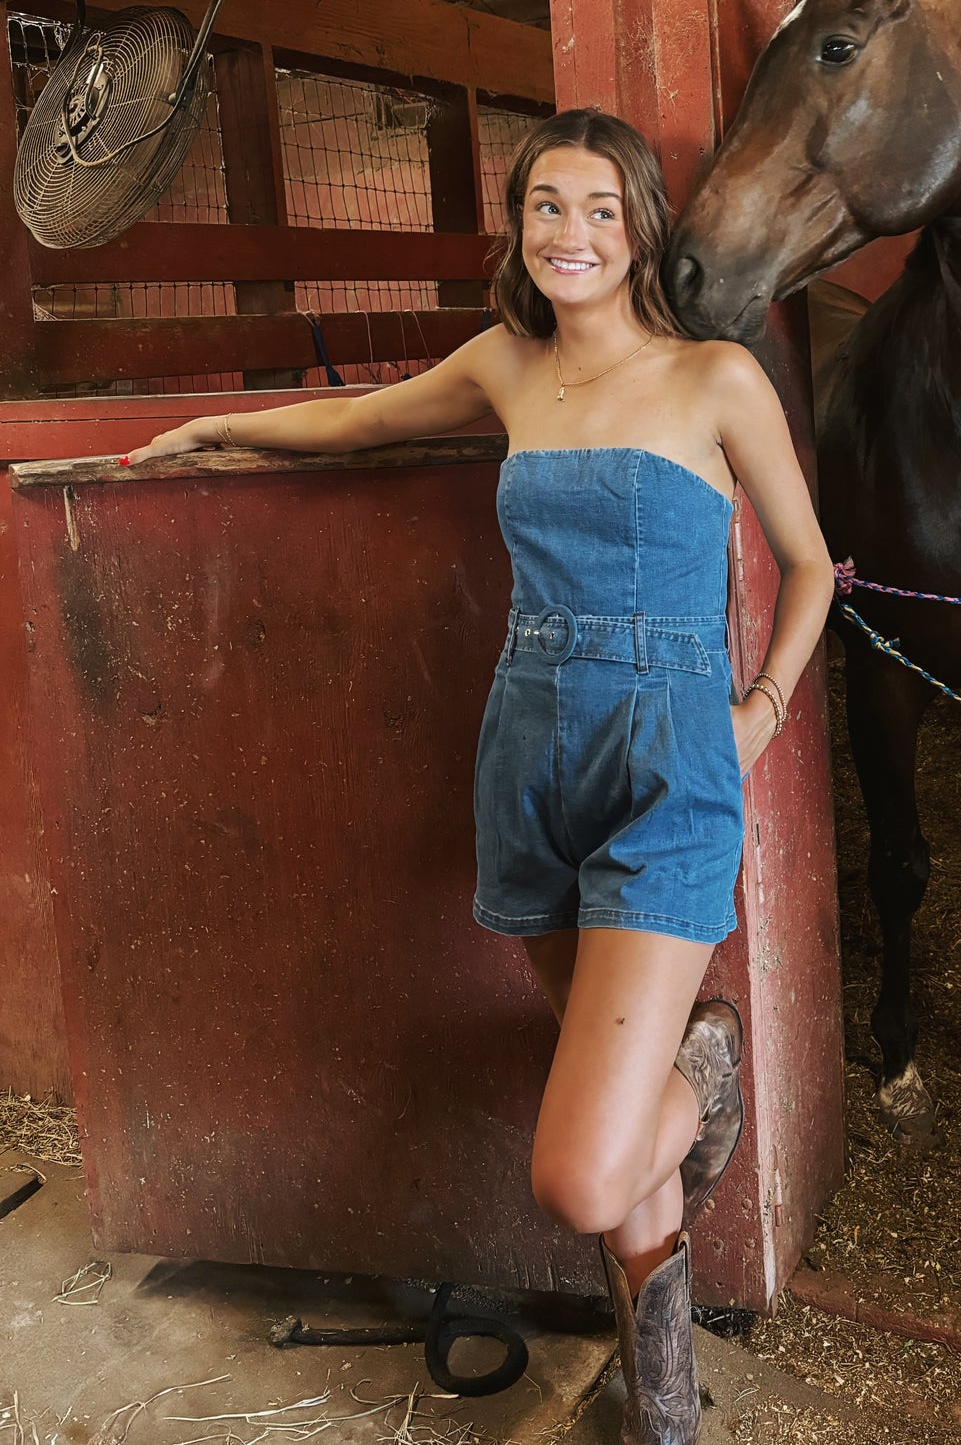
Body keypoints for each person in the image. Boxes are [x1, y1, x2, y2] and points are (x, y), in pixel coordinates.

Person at [125, 107, 836, 1445]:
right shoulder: (505, 365)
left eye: (601, 211)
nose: (572, 234)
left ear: (641, 234)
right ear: (518, 228)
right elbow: (358, 427)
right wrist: (214, 430)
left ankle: (706, 1076)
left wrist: (757, 707)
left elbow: (809, 565)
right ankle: (663, 1411)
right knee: (618, 1170)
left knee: (579, 1172)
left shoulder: (713, 379)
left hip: (665, 760)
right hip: (526, 749)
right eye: (547, 207)